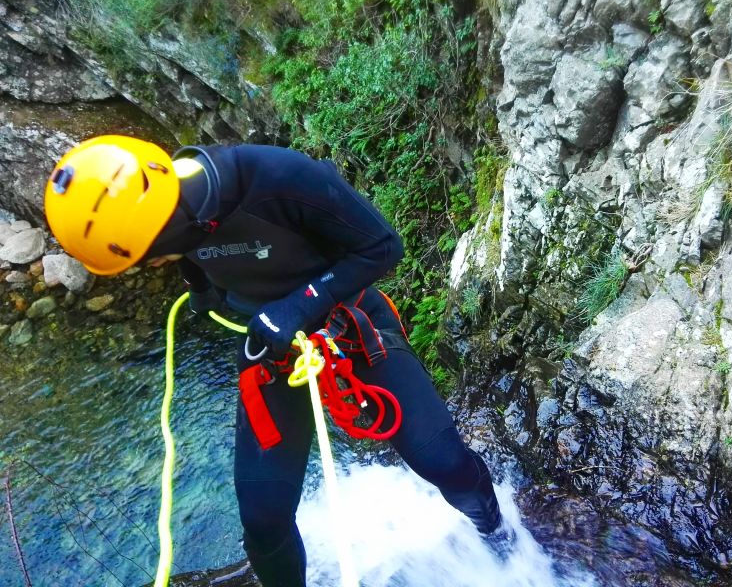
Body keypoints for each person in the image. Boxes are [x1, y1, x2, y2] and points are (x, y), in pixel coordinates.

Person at [44, 135, 505, 586]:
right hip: (271, 350)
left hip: (348, 324)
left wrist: (298, 305)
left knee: (443, 463)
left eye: (145, 259)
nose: (149, 268)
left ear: (163, 225)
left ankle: (498, 537)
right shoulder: (170, 207)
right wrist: (203, 289)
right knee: (264, 519)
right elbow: (191, 251)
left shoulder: (276, 178)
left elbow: (383, 246)